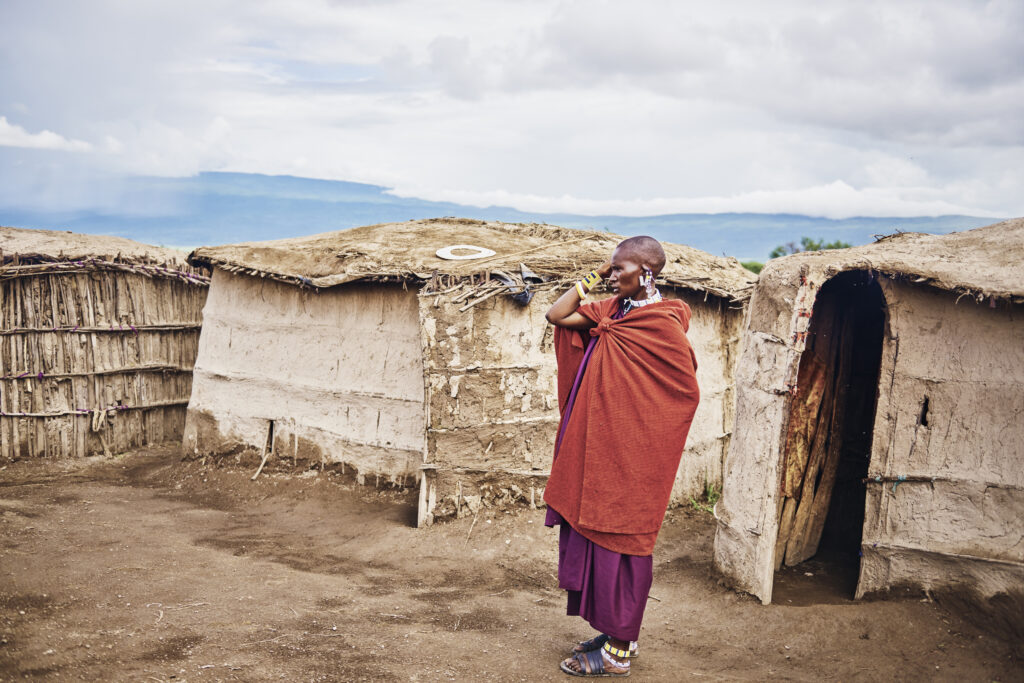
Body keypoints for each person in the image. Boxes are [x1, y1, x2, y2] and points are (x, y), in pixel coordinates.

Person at [543, 236, 700, 677]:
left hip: (634, 458)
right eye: (610, 270)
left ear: (647, 273)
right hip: (599, 450)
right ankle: (610, 631)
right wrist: (591, 279)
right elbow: (556, 315)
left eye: (620, 270)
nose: (612, 277)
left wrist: (638, 437)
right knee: (592, 530)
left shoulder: (663, 325)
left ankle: (619, 652)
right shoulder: (610, 312)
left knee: (625, 540)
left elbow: (682, 394)